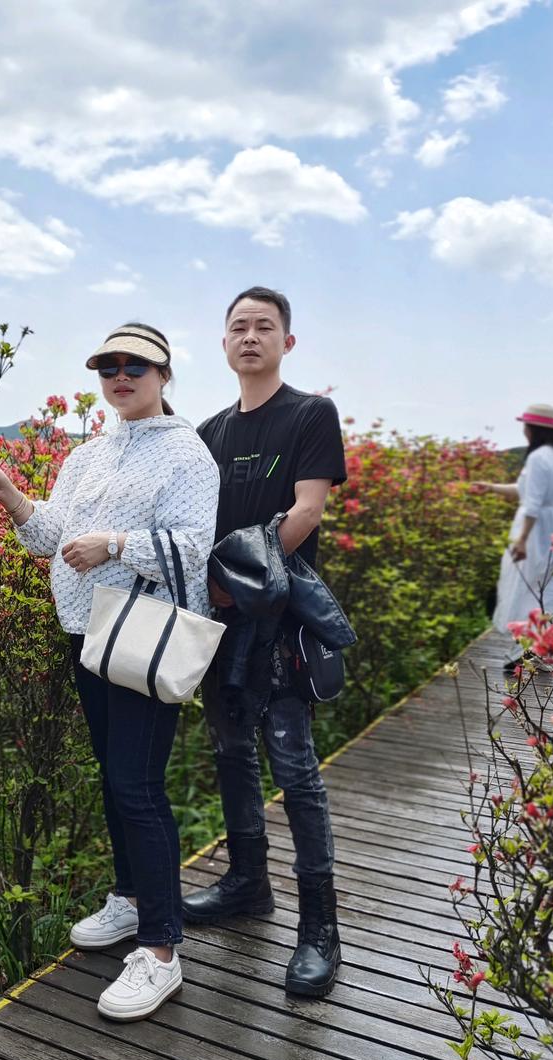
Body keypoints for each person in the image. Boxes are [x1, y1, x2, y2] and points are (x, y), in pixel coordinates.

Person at [0, 322, 219, 1022]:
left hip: (144, 635)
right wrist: (13, 497)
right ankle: (131, 898)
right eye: (109, 367)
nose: (121, 376)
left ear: (164, 374)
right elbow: (51, 537)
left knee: (137, 788)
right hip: (88, 635)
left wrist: (114, 543)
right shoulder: (87, 455)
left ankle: (161, 949)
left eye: (136, 365)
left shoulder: (187, 453)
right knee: (115, 778)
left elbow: (192, 547)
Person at [182, 286, 347, 999]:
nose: (250, 337)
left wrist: (233, 582)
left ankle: (320, 929)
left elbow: (306, 511)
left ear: (287, 341)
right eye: (239, 327)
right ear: (223, 343)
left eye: (264, 326)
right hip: (220, 622)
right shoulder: (209, 432)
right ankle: (248, 883)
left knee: (295, 768)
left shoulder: (310, 414)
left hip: (278, 619)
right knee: (230, 752)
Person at [471, 403, 553, 673]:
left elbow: (532, 503)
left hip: (538, 530)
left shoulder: (538, 457)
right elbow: (527, 491)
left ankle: (524, 652)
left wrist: (522, 539)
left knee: (526, 588)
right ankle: (541, 649)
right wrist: (491, 488)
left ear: (533, 429)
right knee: (550, 588)